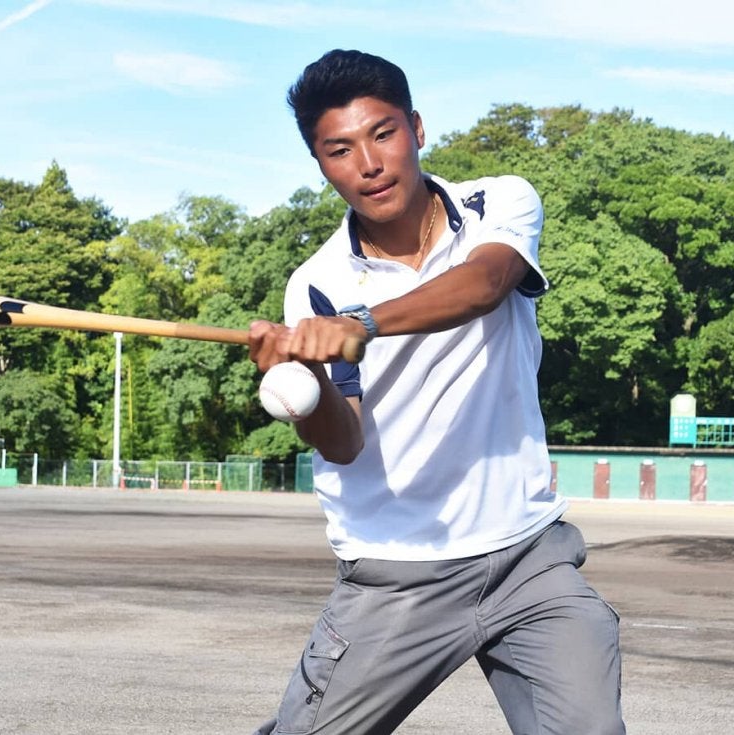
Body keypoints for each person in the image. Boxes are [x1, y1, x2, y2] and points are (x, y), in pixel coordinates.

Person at [248, 49, 625, 735]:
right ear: (321, 164)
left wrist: (360, 325)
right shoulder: (317, 282)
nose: (369, 163)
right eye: (340, 149)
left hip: (525, 556)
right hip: (400, 570)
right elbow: (344, 438)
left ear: (416, 128)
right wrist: (303, 389)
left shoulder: (497, 203)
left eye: (383, 133)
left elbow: (483, 285)